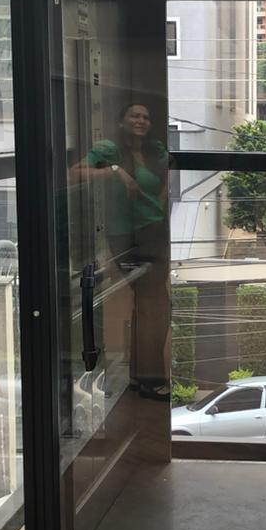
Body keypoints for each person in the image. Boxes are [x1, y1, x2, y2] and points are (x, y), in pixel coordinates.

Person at [74, 102, 171, 401]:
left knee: (152, 306)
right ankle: (151, 380)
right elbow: (74, 174)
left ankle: (140, 376)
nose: (141, 120)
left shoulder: (155, 150)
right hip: (126, 236)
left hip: (154, 231)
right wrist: (115, 171)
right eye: (134, 115)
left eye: (146, 116)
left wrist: (158, 205)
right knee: (154, 306)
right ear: (121, 121)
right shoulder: (109, 150)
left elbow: (167, 176)